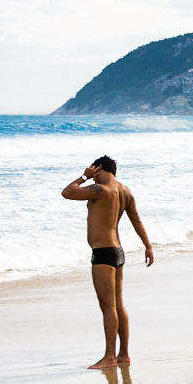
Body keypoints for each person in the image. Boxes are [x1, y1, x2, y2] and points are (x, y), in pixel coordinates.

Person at [62, 156, 155, 368]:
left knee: (107, 307)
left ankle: (109, 357)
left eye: (93, 170)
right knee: (118, 304)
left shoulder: (102, 190)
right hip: (117, 251)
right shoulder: (124, 191)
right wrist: (148, 246)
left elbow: (67, 192)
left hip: (103, 253)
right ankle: (123, 354)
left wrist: (84, 176)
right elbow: (136, 220)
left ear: (99, 168)